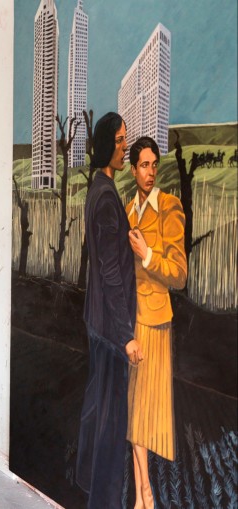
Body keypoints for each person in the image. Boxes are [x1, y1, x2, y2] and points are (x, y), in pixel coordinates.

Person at [76, 112, 143, 509]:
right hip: (108, 325)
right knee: (111, 415)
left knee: (95, 405)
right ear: (105, 145)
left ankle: (86, 480)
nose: (125, 147)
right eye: (120, 141)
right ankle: (102, 499)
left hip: (96, 319)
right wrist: (127, 334)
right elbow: (111, 273)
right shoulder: (104, 196)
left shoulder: (100, 189)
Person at [126, 136, 187, 509]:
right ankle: (142, 495)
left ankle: (145, 494)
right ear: (133, 170)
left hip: (155, 323)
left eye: (154, 165)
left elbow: (179, 274)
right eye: (143, 165)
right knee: (134, 412)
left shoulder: (170, 207)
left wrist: (148, 255)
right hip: (130, 326)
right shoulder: (127, 211)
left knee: (145, 414)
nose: (150, 172)